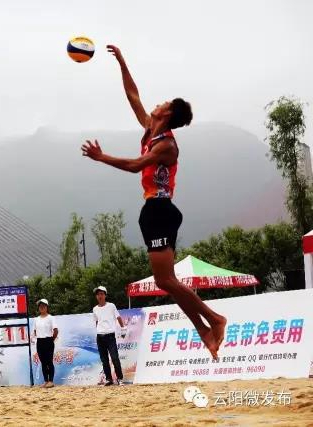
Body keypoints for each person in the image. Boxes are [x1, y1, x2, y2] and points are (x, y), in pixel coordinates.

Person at [81, 45, 227, 359]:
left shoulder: (167, 146)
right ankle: (205, 330)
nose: (157, 103)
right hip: (152, 210)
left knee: (167, 279)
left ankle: (214, 320)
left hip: (161, 209)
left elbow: (136, 165)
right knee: (165, 281)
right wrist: (122, 63)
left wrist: (101, 156)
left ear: (168, 114)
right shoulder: (151, 129)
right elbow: (133, 96)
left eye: (163, 103)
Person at [92, 286, 127, 386]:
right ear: (96, 296)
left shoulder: (111, 306)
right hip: (100, 336)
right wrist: (98, 331)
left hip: (110, 336)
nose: (99, 296)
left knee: (115, 357)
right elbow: (97, 321)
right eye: (98, 294)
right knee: (104, 360)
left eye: (101, 294)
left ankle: (120, 378)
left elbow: (118, 317)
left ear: (105, 295)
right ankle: (109, 379)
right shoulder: (95, 309)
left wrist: (123, 328)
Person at [33, 299, 58, 388]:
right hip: (39, 341)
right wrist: (39, 337)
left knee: (49, 361)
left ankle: (51, 381)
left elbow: (55, 330)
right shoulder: (36, 319)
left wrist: (51, 340)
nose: (42, 307)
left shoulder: (51, 318)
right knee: (43, 362)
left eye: (43, 306)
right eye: (40, 306)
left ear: (47, 307)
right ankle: (45, 381)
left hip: (48, 340)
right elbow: (35, 331)